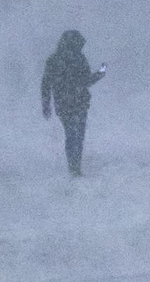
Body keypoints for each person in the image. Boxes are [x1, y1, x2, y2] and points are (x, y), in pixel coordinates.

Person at [41, 30, 106, 177]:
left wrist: (46, 104)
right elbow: (86, 81)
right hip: (79, 103)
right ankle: (75, 167)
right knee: (78, 135)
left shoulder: (53, 60)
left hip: (63, 104)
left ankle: (73, 167)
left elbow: (45, 84)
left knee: (71, 134)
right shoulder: (79, 59)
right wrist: (100, 74)